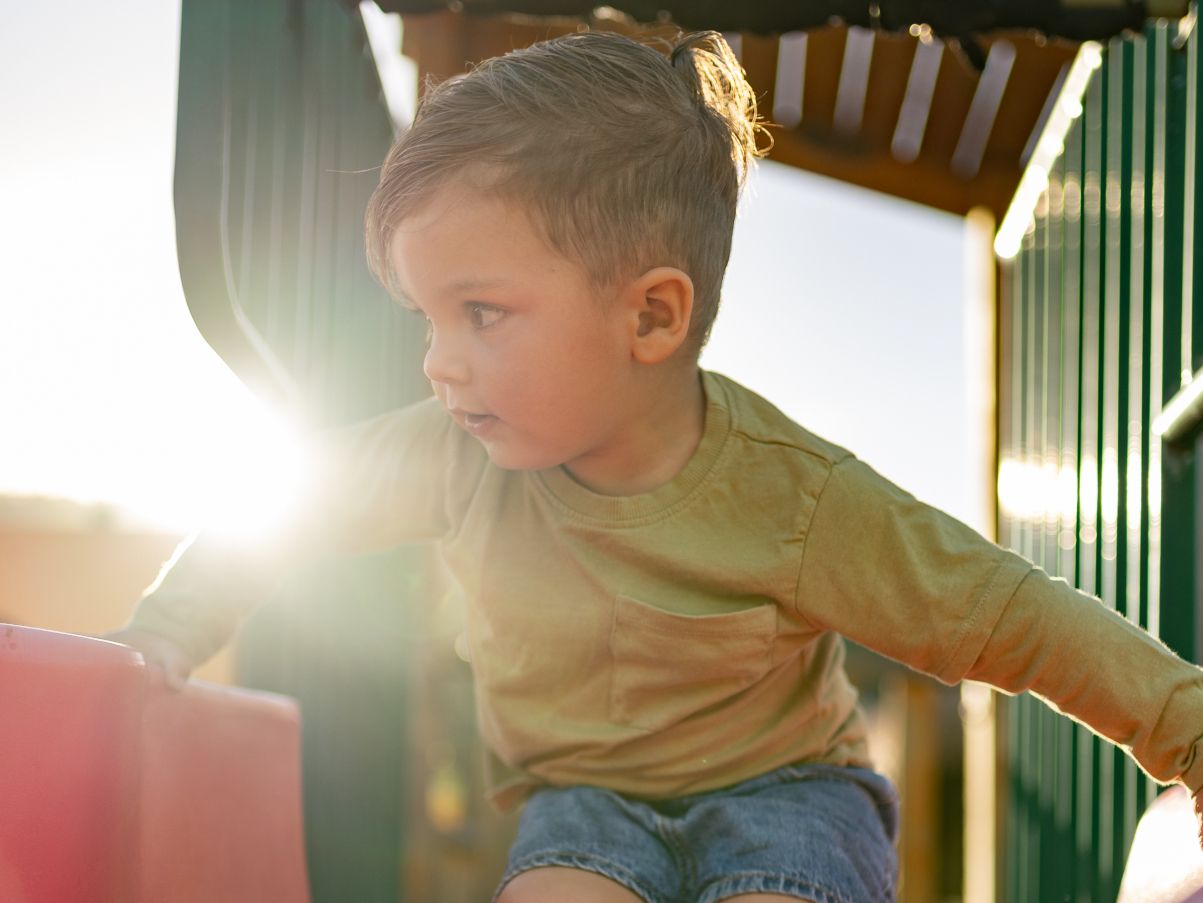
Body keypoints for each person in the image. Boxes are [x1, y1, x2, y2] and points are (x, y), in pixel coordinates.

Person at [109, 29, 1203, 903]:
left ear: (651, 316)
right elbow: (288, 506)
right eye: (427, 319)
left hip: (792, 799)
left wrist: (1189, 736)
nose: (437, 365)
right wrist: (163, 631)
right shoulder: (453, 457)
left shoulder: (795, 500)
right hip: (582, 803)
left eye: (479, 313)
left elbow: (1004, 616)